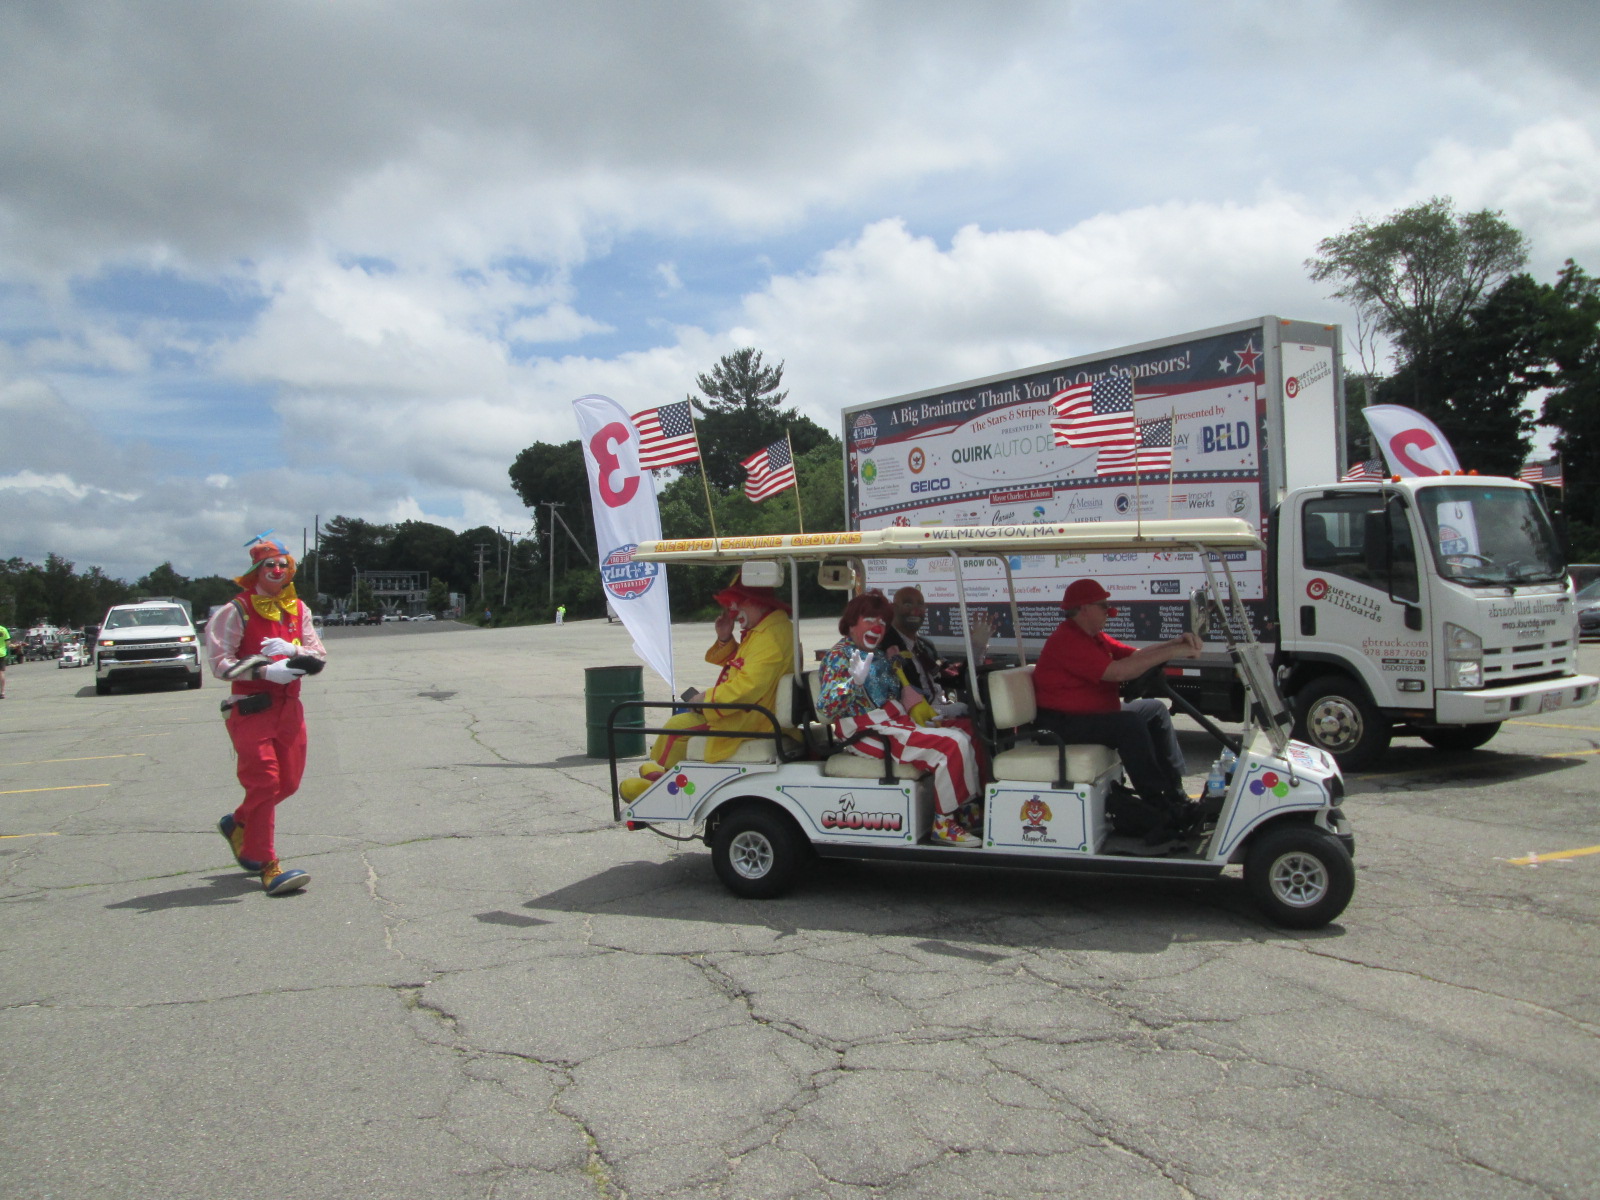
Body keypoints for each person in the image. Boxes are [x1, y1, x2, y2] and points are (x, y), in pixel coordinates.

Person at [205, 536, 328, 895]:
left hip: (290, 707)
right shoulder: (235, 610)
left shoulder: (298, 609)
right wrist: (262, 672)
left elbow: (318, 654)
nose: (277, 570)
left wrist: (294, 651)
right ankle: (268, 865)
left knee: (287, 783)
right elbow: (220, 663)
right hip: (251, 707)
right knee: (265, 782)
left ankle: (238, 823)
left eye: (282, 564)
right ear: (256, 571)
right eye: (269, 565)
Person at [816, 592, 981, 846]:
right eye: (869, 619)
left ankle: (961, 808)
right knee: (951, 744)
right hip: (866, 732)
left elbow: (892, 693)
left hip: (893, 723)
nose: (877, 627)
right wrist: (851, 682)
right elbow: (827, 705)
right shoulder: (841, 656)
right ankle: (943, 822)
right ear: (851, 622)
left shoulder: (878, 655)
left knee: (964, 734)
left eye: (882, 622)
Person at [618, 576, 795, 802]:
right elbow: (743, 666)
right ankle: (665, 775)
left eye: (738, 602)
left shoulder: (769, 637)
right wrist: (725, 639)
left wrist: (706, 700)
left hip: (753, 718)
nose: (732, 610)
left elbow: (748, 686)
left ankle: (663, 789)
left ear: (757, 602)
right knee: (682, 722)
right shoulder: (767, 629)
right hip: (754, 710)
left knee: (678, 727)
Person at [1032, 578, 1201, 812]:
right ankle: (1156, 801)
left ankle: (1174, 791)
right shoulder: (1068, 640)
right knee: (1128, 724)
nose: (1109, 611)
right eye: (1103, 606)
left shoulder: (1094, 637)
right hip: (1061, 725)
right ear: (1084, 608)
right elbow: (1119, 672)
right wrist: (1176, 650)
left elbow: (1135, 656)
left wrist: (1174, 644)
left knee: (1154, 709)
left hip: (1089, 716)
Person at [0, 622, 9, 698]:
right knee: (1, 672)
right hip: (1, 653)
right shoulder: (3, 629)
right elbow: (7, 642)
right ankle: (2, 692)